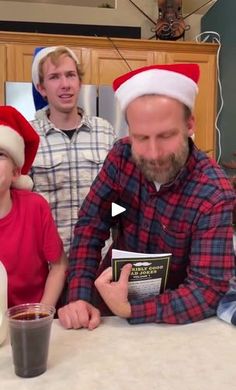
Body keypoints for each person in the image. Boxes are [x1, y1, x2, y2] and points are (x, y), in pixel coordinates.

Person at [58, 63, 236, 330]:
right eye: (141, 137)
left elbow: (207, 288)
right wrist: (81, 296)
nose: (153, 154)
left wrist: (131, 308)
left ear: (189, 124)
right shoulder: (121, 158)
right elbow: (91, 225)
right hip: (108, 301)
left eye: (166, 135)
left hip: (176, 317)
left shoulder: (213, 192)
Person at [30, 46, 117, 255]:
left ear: (79, 82)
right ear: (41, 88)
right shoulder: (28, 137)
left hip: (98, 259)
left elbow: (119, 198)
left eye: (70, 75)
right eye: (54, 77)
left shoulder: (104, 131)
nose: (65, 85)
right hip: (48, 264)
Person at [0, 105, 67, 308]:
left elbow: (59, 265)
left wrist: (42, 312)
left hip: (31, 322)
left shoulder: (35, 208)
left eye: (0, 154)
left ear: (15, 172)